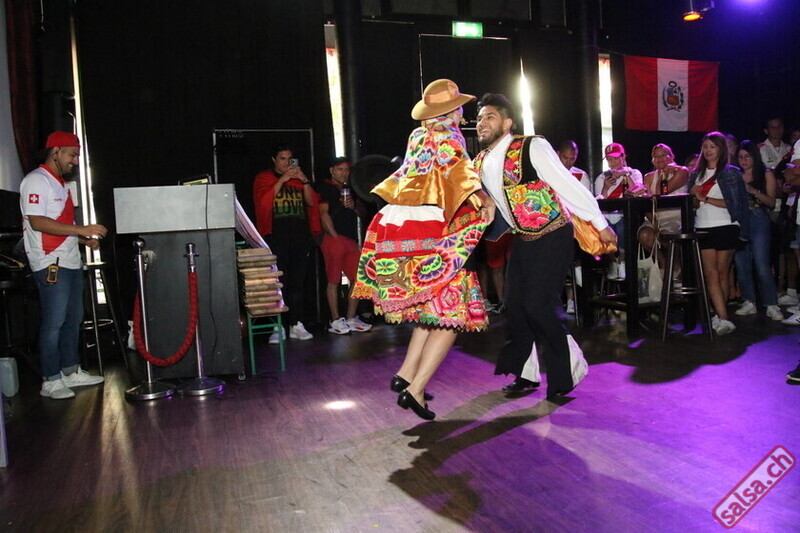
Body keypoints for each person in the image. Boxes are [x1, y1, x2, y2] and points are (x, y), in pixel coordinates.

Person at [353, 79, 494, 420]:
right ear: (451, 110)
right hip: (433, 230)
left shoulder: (417, 135)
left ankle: (405, 374)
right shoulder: (449, 136)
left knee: (430, 310)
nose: (462, 114)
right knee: (451, 315)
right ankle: (415, 389)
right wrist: (482, 198)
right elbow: (458, 171)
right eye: (459, 108)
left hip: (402, 226)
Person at [474, 93, 615, 398]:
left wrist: (600, 224)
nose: (482, 123)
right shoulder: (481, 161)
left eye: (489, 117)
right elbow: (494, 200)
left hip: (553, 234)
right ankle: (527, 374)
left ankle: (569, 369)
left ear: (507, 123)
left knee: (538, 307)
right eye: (479, 118)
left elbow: (567, 185)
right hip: (523, 238)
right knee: (515, 307)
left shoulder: (531, 147)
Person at [19, 131, 107, 400]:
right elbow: (38, 222)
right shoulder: (36, 180)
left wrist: (83, 239)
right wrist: (81, 229)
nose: (75, 160)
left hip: (70, 260)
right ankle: (50, 379)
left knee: (73, 319)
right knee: (54, 322)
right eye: (72, 154)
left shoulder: (61, 184)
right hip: (49, 262)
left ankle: (70, 370)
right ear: (55, 151)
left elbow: (62, 225)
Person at [253, 145, 319, 343]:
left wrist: (304, 180)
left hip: (300, 238)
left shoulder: (298, 179)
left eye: (290, 159)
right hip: (276, 238)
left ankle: (296, 324)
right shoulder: (264, 177)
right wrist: (282, 179)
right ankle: (277, 325)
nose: (286, 162)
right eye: (282, 158)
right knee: (277, 283)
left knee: (297, 283)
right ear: (274, 159)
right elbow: (263, 202)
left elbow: (312, 202)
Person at [688, 131, 750, 336]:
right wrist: (695, 198)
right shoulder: (696, 174)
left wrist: (704, 198)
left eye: (712, 146)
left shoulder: (731, 173)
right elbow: (693, 205)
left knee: (722, 272)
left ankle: (721, 316)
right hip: (703, 225)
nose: (708, 150)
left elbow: (735, 205)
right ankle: (723, 317)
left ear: (721, 149)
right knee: (711, 273)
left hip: (726, 225)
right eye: (705, 146)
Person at [317, 156, 372, 335]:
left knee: (358, 279)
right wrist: (333, 235)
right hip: (333, 238)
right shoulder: (325, 187)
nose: (344, 173)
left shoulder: (352, 189)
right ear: (332, 170)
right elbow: (323, 213)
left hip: (350, 240)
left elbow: (362, 212)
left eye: (347, 170)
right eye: (340, 169)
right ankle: (335, 320)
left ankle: (350, 317)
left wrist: (353, 205)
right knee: (333, 280)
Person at [733, 140, 782, 320]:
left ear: (754, 156)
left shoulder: (765, 173)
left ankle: (771, 303)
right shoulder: (735, 174)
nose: (744, 160)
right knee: (741, 264)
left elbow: (771, 202)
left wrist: (753, 190)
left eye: (747, 156)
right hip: (739, 220)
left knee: (762, 264)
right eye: (740, 157)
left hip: (759, 218)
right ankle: (749, 301)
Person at [594, 142, 644, 279]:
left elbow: (638, 192)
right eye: (609, 159)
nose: (613, 162)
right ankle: (612, 262)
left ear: (623, 157)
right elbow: (599, 203)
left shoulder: (634, 173)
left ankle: (622, 261)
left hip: (626, 216)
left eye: (616, 158)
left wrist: (625, 175)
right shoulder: (601, 177)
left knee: (623, 228)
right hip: (607, 217)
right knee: (603, 229)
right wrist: (605, 187)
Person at [637, 143, 690, 256]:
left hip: (676, 217)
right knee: (644, 235)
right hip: (655, 217)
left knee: (665, 235)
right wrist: (654, 222)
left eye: (663, 155)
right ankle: (663, 263)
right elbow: (646, 203)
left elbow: (659, 193)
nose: (659, 159)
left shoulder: (682, 171)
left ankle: (676, 263)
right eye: (655, 156)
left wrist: (663, 175)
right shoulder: (648, 177)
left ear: (672, 157)